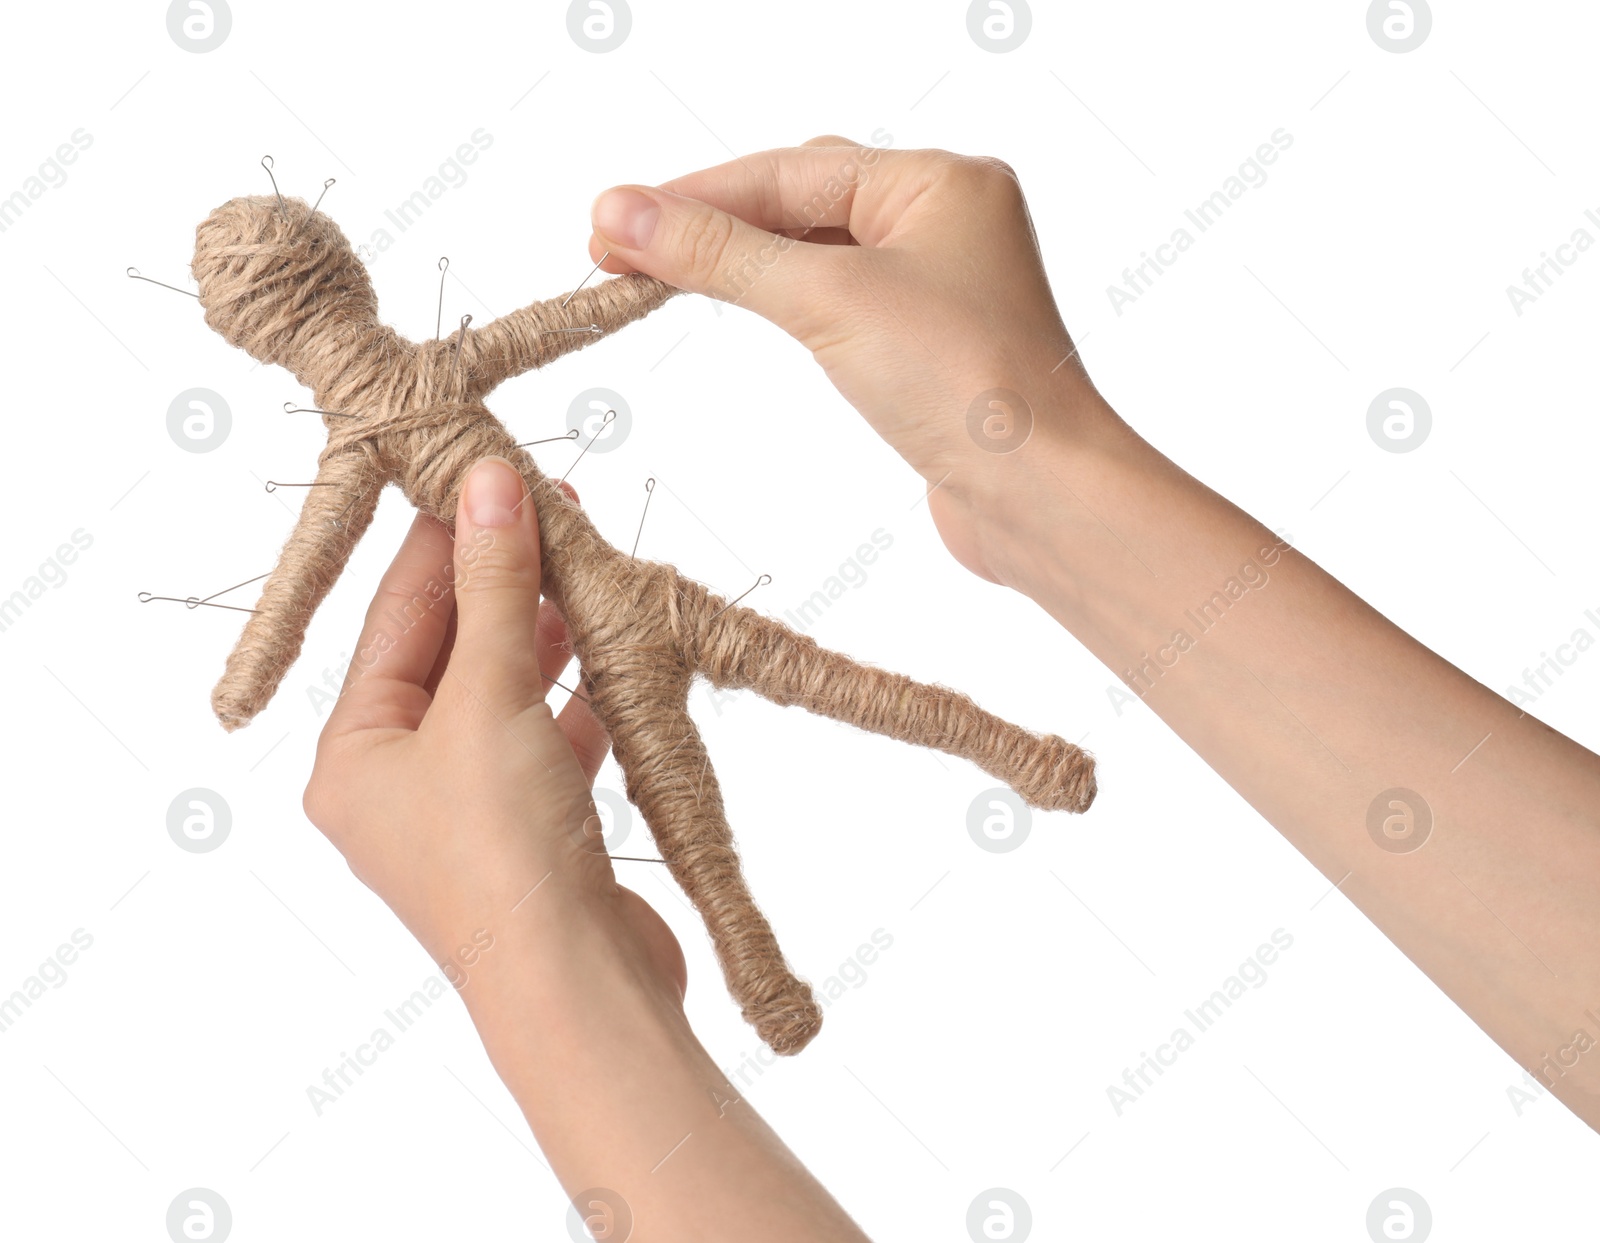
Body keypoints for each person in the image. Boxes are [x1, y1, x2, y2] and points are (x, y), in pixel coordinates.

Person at [301, 139, 1600, 1240]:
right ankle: (834, 887)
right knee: (803, 706)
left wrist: (541, 966)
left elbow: (338, 527)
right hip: (646, 591)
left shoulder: (377, 417)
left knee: (796, 707)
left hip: (624, 600)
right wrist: (1029, 472)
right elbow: (566, 323)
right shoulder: (395, 404)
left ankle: (817, 915)